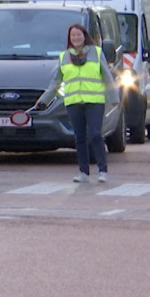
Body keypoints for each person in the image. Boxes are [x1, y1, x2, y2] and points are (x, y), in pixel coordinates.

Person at [35, 24, 119, 183]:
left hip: (94, 101)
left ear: (84, 36)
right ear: (69, 39)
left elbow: (107, 76)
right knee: (79, 137)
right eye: (73, 36)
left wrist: (114, 98)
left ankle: (102, 170)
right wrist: (43, 101)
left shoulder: (96, 52)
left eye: (78, 35)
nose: (76, 38)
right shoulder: (64, 57)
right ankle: (83, 172)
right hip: (73, 102)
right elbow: (55, 83)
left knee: (95, 134)